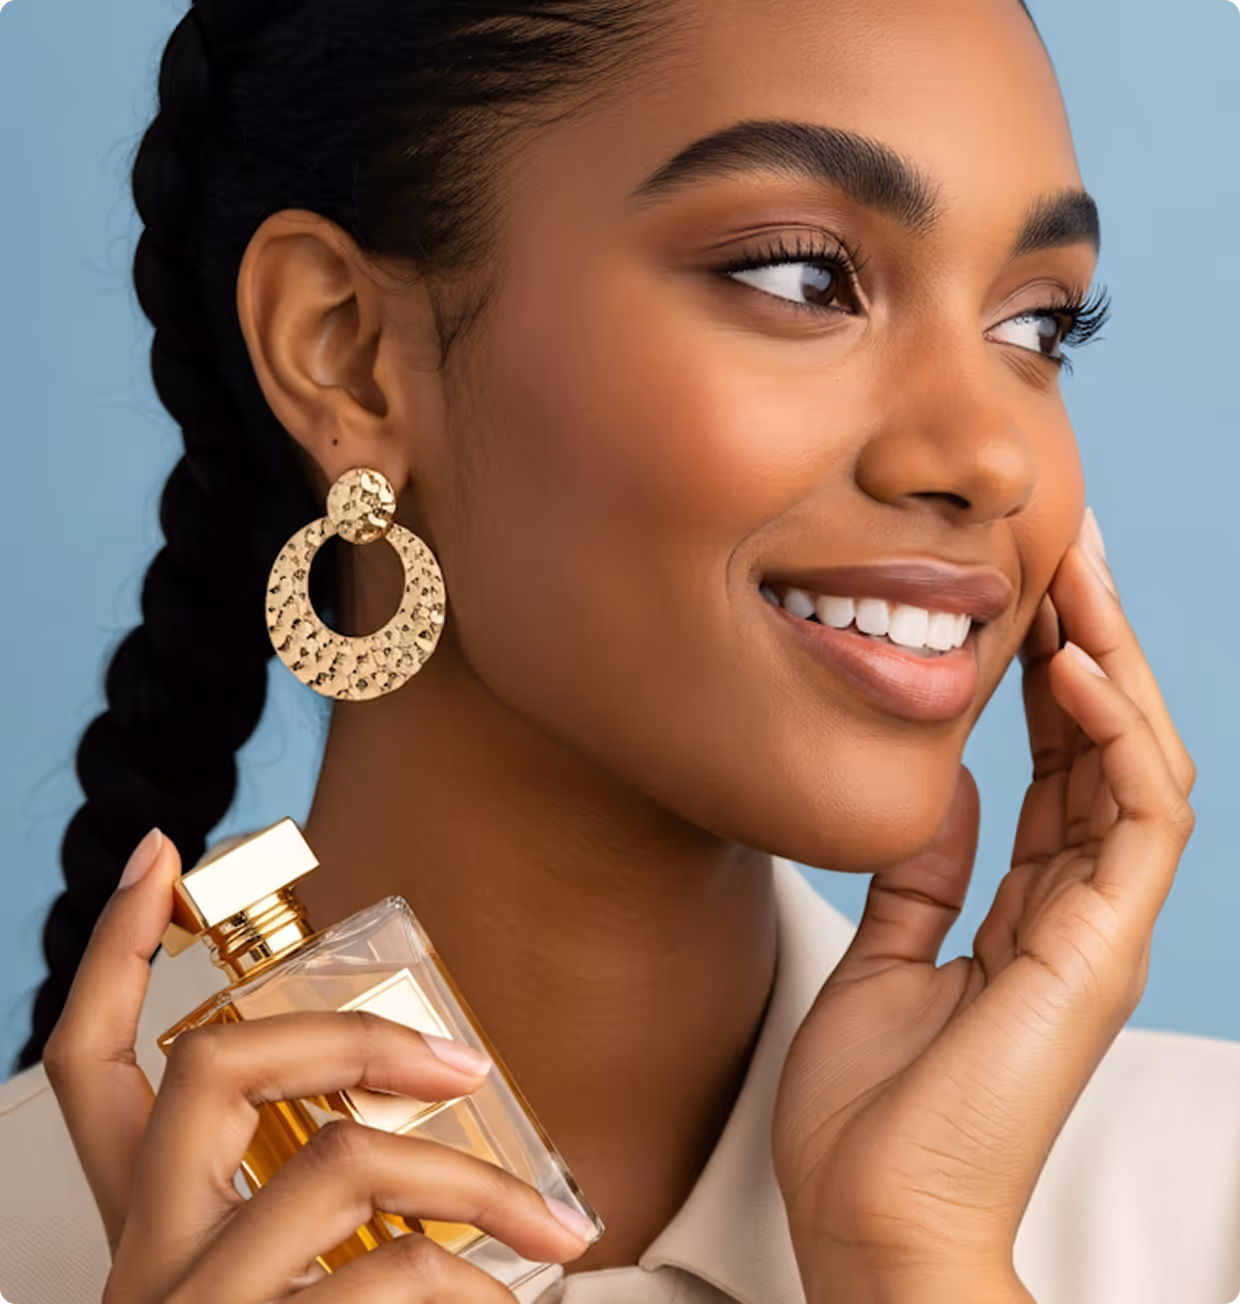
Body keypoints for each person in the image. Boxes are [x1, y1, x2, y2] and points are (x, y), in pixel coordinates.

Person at [2, 0, 1238, 1300]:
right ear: (346, 351)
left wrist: (913, 1256)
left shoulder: (1202, 1212)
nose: (990, 457)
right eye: (803, 278)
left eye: (1037, 326)